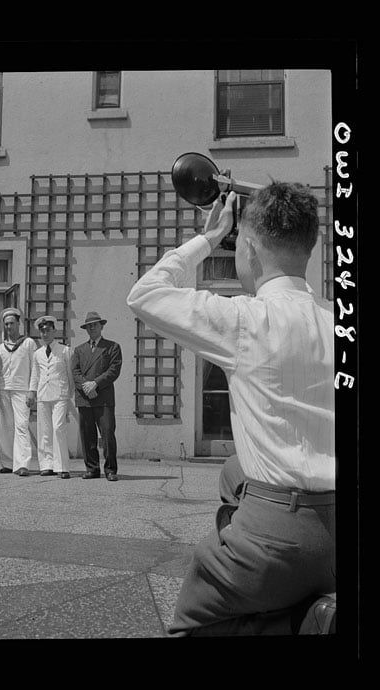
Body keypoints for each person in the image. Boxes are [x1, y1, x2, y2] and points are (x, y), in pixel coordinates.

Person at [126, 184, 336, 636]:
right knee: (233, 470)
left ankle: (305, 622)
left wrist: (207, 237)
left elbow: (144, 295)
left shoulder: (245, 318)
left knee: (193, 623)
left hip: (280, 536)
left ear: (251, 249)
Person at [71, 311, 122, 481]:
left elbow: (114, 370)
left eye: (95, 325)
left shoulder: (112, 347)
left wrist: (96, 384)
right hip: (85, 398)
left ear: (102, 326)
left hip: (104, 398)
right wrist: (86, 386)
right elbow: (75, 371)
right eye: (89, 326)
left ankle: (110, 470)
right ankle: (92, 468)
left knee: (107, 433)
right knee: (87, 435)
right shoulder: (79, 350)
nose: (92, 328)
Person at [27, 316, 75, 479]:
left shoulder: (64, 350)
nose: (45, 333)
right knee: (44, 431)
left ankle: (62, 466)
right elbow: (35, 374)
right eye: (42, 331)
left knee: (58, 428)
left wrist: (70, 394)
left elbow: (70, 373)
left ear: (54, 331)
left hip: (60, 394)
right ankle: (46, 464)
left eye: (48, 330)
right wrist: (31, 391)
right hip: (43, 395)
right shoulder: (37, 353)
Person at [0, 307, 39, 476]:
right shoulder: (0, 348)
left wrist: (32, 391)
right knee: (6, 427)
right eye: (6, 324)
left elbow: (35, 369)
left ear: (18, 323)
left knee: (21, 426)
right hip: (4, 390)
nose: (9, 327)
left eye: (12, 323)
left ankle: (22, 464)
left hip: (22, 391)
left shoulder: (28, 344)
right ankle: (7, 462)